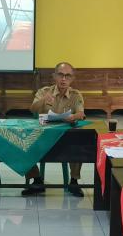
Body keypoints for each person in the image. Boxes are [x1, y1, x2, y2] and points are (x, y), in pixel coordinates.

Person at [23, 62, 86, 197]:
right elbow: (32, 109)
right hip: (43, 135)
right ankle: (36, 180)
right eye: (60, 75)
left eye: (68, 76)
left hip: (64, 137)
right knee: (24, 143)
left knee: (79, 141)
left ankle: (74, 181)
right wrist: (43, 100)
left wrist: (73, 116)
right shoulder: (44, 92)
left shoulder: (75, 94)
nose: (64, 79)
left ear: (72, 78)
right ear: (54, 76)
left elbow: (81, 113)